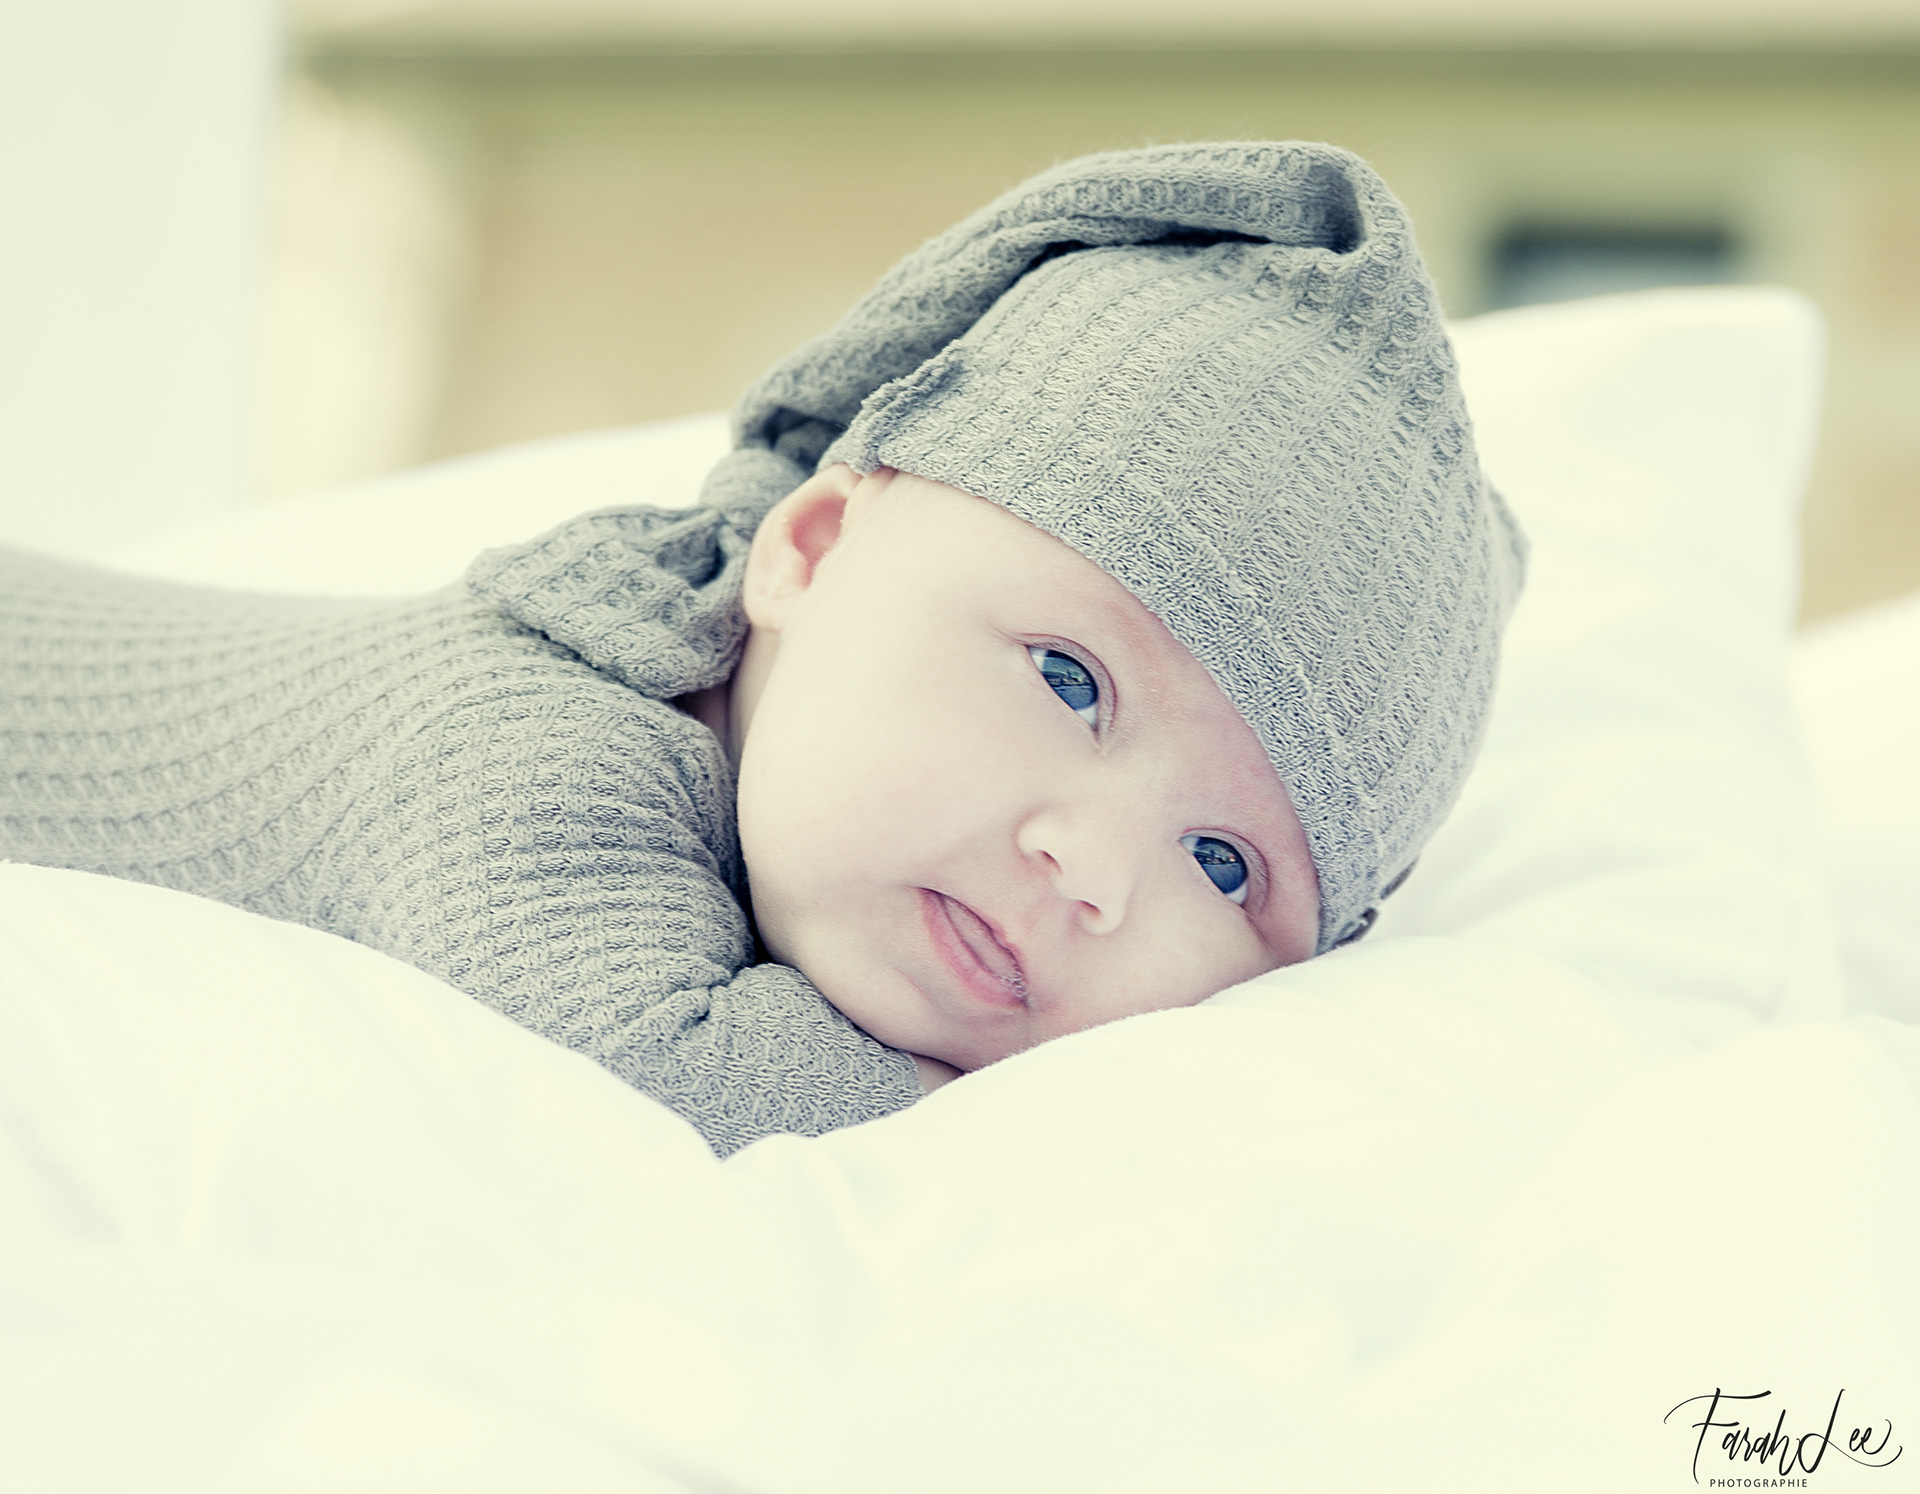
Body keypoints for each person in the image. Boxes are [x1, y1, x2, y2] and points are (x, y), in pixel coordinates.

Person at [0, 141, 1525, 1155]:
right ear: (813, 547)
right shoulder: (528, 744)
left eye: (1226, 867)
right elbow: (665, 1081)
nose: (1096, 870)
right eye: (1070, 680)